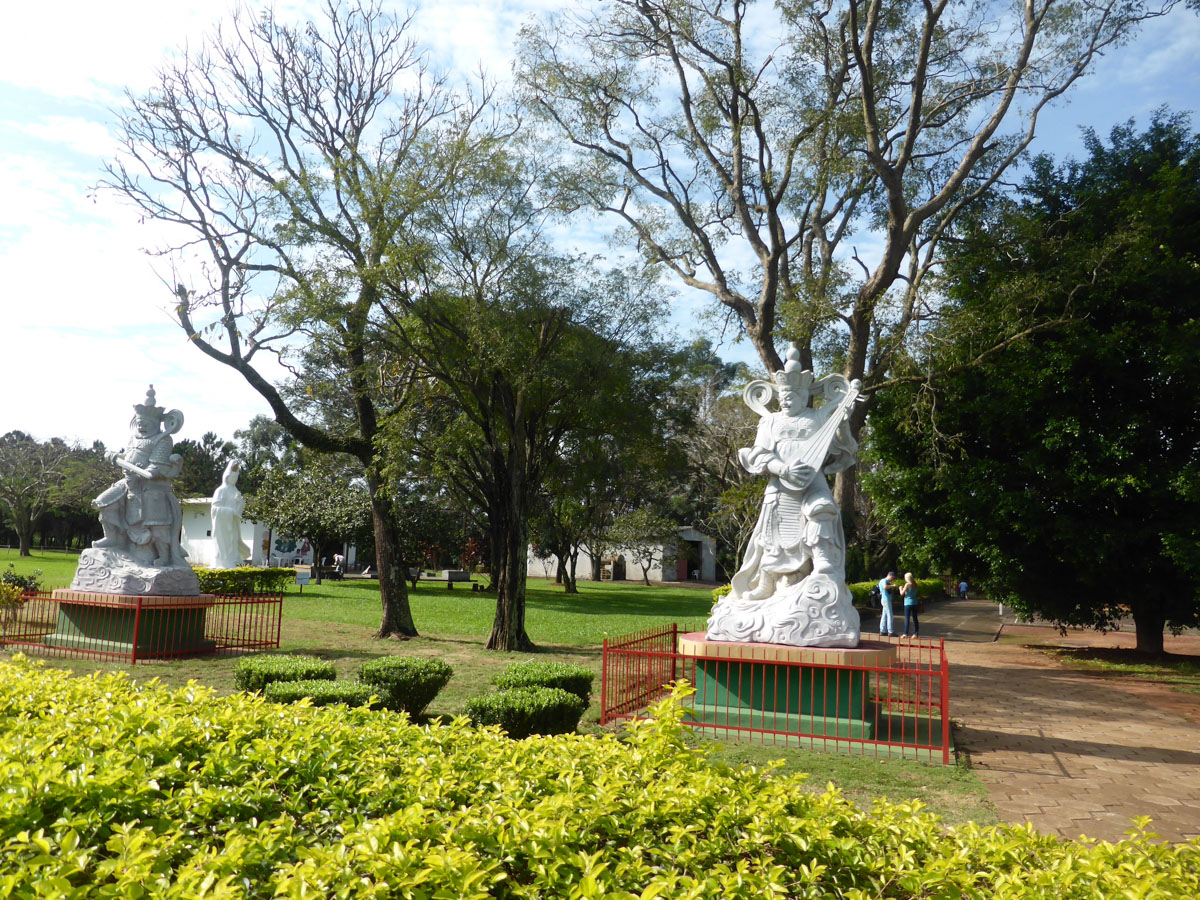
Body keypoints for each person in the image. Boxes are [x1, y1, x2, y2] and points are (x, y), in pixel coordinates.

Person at [92, 385, 188, 568]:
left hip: (151, 486)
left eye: (146, 424)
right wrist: (115, 457)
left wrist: (148, 470)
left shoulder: (163, 439)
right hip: (128, 482)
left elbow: (156, 465)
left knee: (157, 525)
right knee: (104, 502)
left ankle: (164, 556)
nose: (142, 427)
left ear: (156, 424)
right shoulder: (133, 438)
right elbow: (128, 456)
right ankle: (112, 538)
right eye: (139, 423)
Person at [210, 459, 248, 569]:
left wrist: (239, 502)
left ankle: (233, 561)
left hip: (233, 523)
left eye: (235, 477)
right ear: (226, 476)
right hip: (222, 525)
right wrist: (229, 511)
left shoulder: (235, 491)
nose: (233, 479)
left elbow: (239, 508)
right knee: (224, 543)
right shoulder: (220, 490)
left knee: (234, 541)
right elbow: (215, 508)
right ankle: (222, 562)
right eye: (232, 477)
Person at [877, 571, 898, 637]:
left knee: (884, 615)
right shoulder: (884, 581)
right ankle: (890, 631)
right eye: (893, 578)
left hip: (884, 599)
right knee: (889, 615)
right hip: (886, 599)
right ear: (890, 575)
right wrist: (893, 586)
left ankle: (883, 630)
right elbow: (885, 587)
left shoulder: (883, 581)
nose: (893, 580)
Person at [901, 572, 920, 637]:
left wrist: (900, 588)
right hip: (914, 602)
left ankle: (905, 633)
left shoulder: (907, 584)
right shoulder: (915, 584)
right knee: (915, 618)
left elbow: (902, 593)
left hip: (907, 603)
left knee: (907, 618)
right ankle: (916, 633)